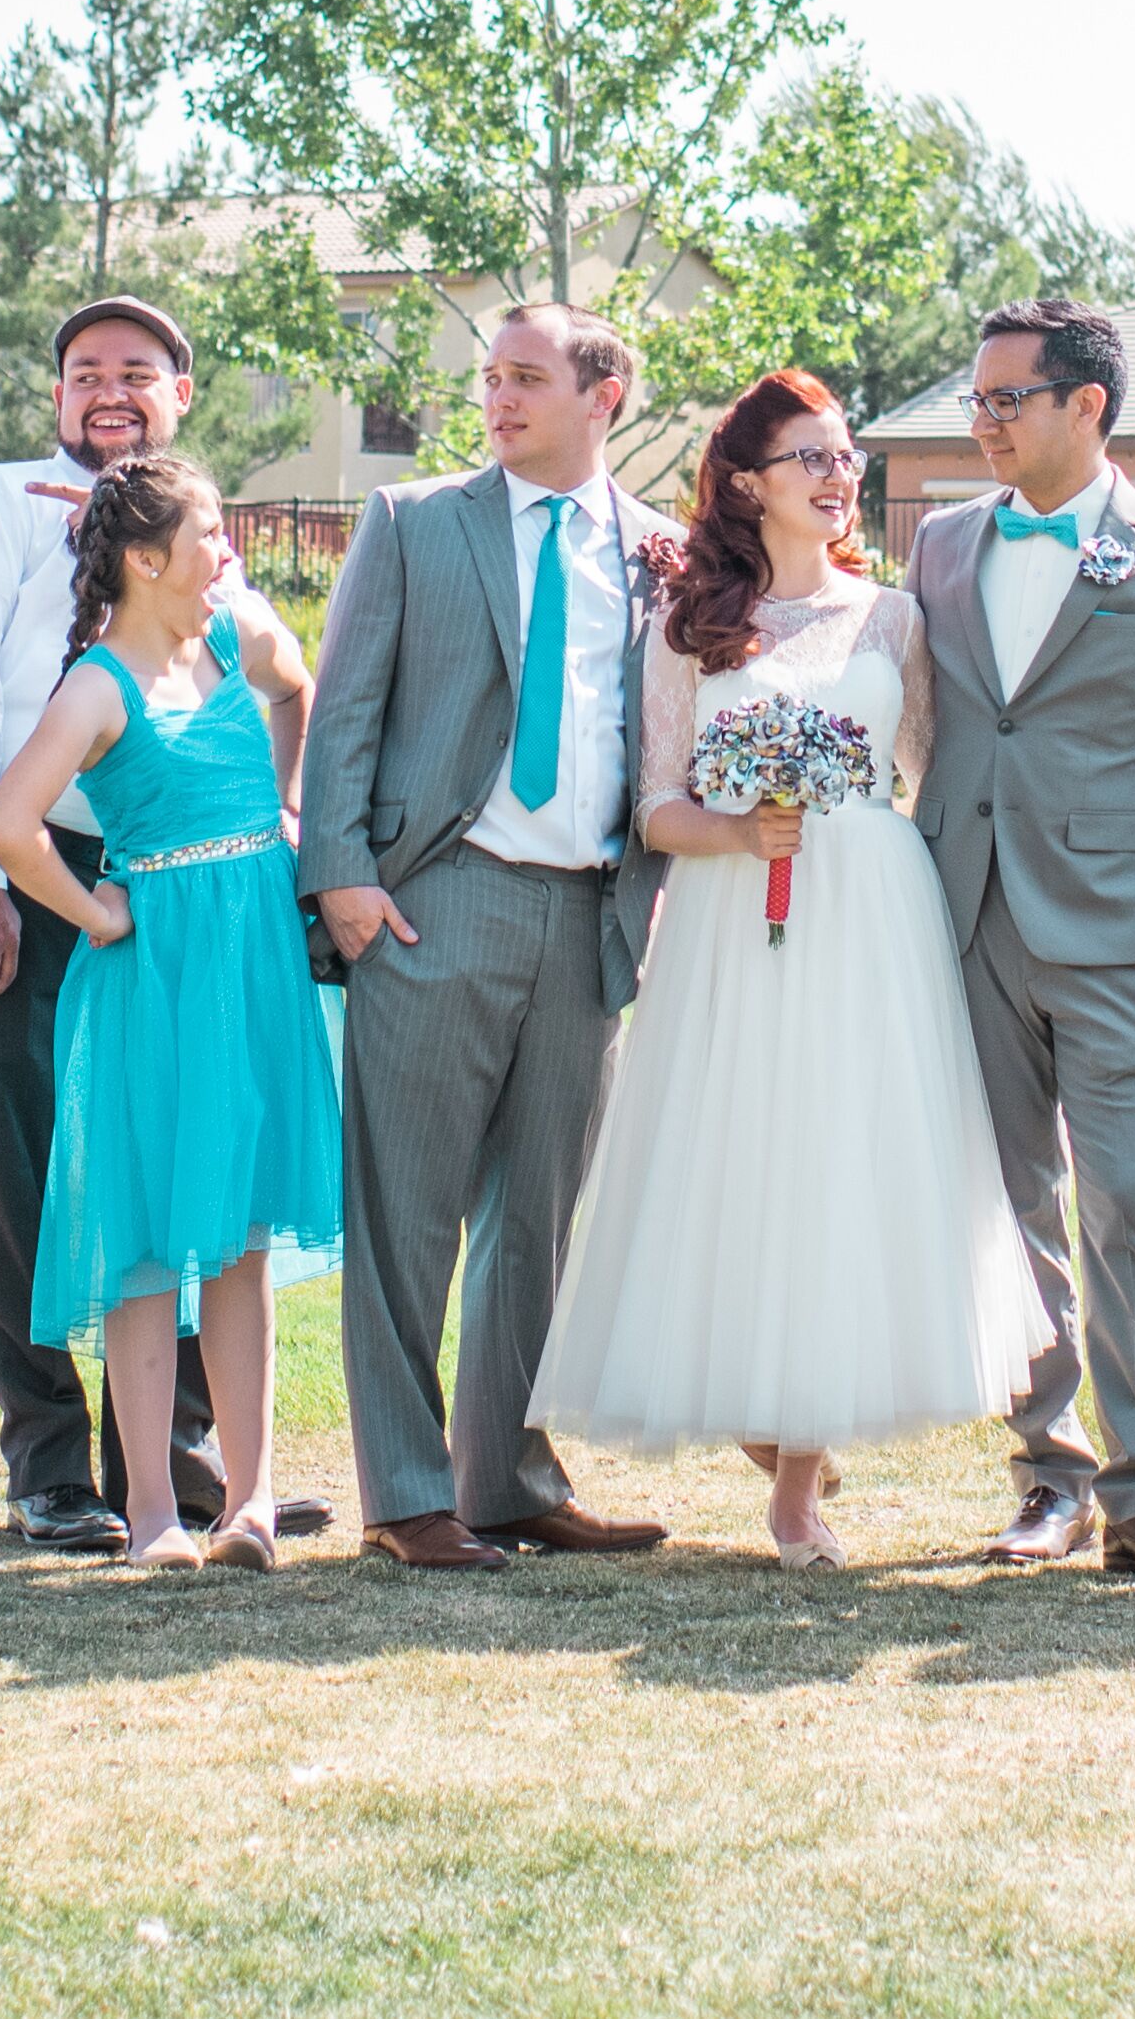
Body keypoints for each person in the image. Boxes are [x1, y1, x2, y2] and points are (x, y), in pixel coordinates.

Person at [527, 370, 1042, 1569]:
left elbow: (927, 769)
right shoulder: (690, 625)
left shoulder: (894, 618)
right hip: (730, 925)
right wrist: (739, 825)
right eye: (809, 455)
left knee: (839, 1162)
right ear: (747, 481)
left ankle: (798, 1486)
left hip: (869, 914)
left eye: (844, 453)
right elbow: (654, 804)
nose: (836, 474)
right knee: (739, 1163)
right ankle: (767, 1415)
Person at [0, 298, 314, 1551]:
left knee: (207, 1177)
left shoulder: (197, 556)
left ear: (178, 391)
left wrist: (282, 815)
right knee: (38, 1166)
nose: (108, 389)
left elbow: (289, 671)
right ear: (56, 394)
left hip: (212, 888)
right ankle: (50, 1463)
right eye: (84, 372)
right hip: (50, 876)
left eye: (135, 371)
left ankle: (194, 1466)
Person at [298, 304, 677, 1572]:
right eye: (490, 378)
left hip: (591, 914)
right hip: (435, 896)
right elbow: (343, 699)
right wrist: (341, 878)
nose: (498, 399)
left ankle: (505, 1480)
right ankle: (406, 1495)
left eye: (526, 377)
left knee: (539, 1220)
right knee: (404, 1212)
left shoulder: (662, 555)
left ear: (603, 394)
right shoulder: (414, 523)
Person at [903, 299, 1135, 1581]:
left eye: (1010, 396)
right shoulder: (940, 545)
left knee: (1125, 1197)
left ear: (1086, 406)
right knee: (1011, 1208)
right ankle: (1045, 1473)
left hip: (1117, 933)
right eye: (978, 398)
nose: (985, 418)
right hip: (963, 917)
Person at [0, 451, 340, 1569]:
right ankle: (148, 1514)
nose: (227, 550)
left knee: (236, 1234)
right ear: (145, 557)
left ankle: (251, 1500)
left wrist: (284, 802)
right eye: (210, 532)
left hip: (252, 963)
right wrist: (92, 910)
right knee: (140, 1236)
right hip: (150, 975)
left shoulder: (236, 633)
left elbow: (299, 691)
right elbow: (7, 823)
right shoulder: (94, 683)